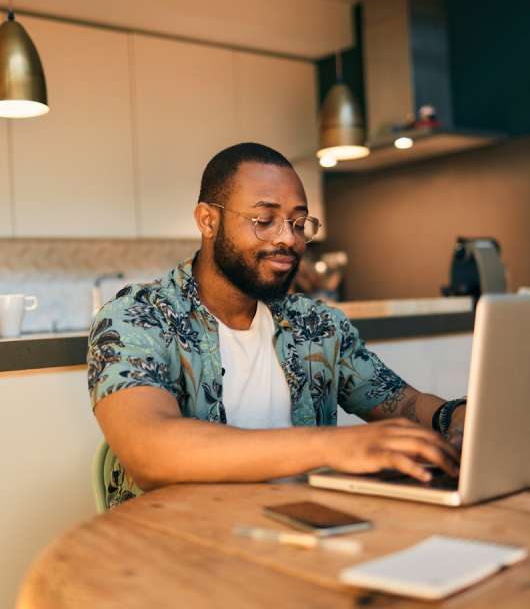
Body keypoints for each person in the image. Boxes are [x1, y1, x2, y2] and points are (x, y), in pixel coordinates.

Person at [88, 143, 464, 507]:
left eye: (299, 223)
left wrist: (460, 418)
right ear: (208, 220)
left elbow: (404, 404)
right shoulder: (137, 317)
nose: (289, 238)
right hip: (181, 547)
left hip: (303, 534)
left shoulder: (316, 324)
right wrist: (334, 446)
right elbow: (150, 452)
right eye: (265, 220)